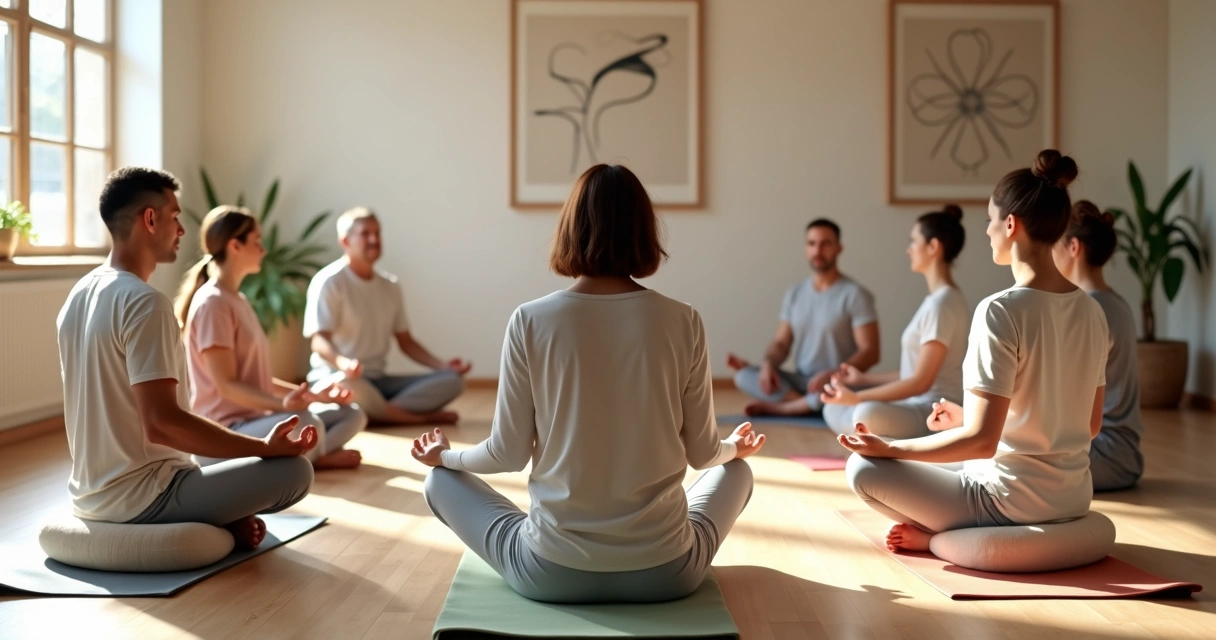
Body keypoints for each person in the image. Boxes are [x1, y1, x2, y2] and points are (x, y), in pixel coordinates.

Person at [411, 164, 766, 603]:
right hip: (666, 574)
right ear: (643, 231)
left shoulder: (529, 320)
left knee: (439, 482)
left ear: (571, 229)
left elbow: (507, 453)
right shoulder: (683, 320)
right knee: (738, 472)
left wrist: (444, 456)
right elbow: (704, 454)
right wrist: (735, 448)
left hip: (550, 572)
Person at [839, 150, 1109, 553]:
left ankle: (941, 538)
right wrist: (968, 419)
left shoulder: (1000, 310)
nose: (987, 232)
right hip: (1071, 497)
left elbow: (982, 443)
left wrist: (890, 447)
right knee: (942, 456)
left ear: (1011, 225)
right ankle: (948, 530)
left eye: (990, 220)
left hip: (1007, 503)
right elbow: (1087, 425)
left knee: (863, 467)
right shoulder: (1092, 310)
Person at [56, 167, 316, 549]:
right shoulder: (145, 303)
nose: (181, 230)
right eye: (175, 216)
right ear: (150, 219)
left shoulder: (77, 297)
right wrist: (263, 448)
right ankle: (219, 518)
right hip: (148, 496)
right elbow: (161, 424)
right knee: (296, 472)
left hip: (89, 498)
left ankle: (223, 518)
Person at [176, 205, 368, 470]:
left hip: (257, 421)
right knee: (306, 421)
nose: (263, 250)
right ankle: (316, 458)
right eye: (257, 242)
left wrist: (315, 396)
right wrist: (283, 405)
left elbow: (260, 381)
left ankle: (307, 454)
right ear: (235, 246)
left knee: (350, 414)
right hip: (228, 431)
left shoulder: (238, 300)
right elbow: (226, 385)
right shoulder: (213, 304)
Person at [303, 206, 470, 425]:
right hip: (341, 378)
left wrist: (442, 366)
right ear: (345, 241)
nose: (374, 239)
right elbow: (319, 340)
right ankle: (414, 419)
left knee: (453, 382)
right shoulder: (329, 282)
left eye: (377, 233)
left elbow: (406, 342)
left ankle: (376, 414)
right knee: (349, 387)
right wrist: (343, 364)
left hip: (379, 382)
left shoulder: (390, 286)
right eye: (365, 234)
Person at [821, 206, 969, 439]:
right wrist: (863, 380)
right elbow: (913, 371)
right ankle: (879, 439)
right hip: (915, 406)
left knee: (864, 412)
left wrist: (858, 397)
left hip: (933, 413)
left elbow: (920, 382)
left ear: (933, 247)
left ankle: (881, 439)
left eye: (913, 241)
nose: (908, 250)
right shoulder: (940, 300)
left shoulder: (943, 304)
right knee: (833, 407)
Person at [727, 219, 879, 417]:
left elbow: (870, 351)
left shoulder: (855, 295)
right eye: (812, 244)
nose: (818, 251)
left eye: (825, 244)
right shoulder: (795, 293)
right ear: (805, 248)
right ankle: (805, 405)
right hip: (802, 381)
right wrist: (768, 365)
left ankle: (791, 406)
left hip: (837, 381)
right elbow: (781, 343)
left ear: (839, 248)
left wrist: (833, 374)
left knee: (834, 390)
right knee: (744, 376)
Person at [1052, 200, 1145, 491]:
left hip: (1107, 455)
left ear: (1074, 248)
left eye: (1055, 245)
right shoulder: (1114, 302)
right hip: (1122, 454)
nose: (1050, 254)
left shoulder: (1089, 309)